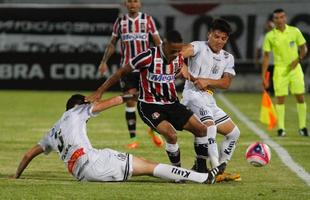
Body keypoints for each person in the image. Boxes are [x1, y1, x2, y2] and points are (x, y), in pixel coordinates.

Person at [86, 30, 225, 173]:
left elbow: (180, 70)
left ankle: (201, 169)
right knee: (171, 135)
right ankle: (177, 172)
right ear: (164, 44)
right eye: (172, 51)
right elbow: (121, 72)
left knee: (202, 130)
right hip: (150, 106)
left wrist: (194, 79)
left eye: (178, 51)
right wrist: (100, 91)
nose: (175, 55)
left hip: (172, 103)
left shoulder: (178, 57)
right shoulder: (147, 57)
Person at [12, 94, 225, 184]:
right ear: (79, 104)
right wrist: (130, 97)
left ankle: (186, 177)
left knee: (144, 166)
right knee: (149, 167)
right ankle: (202, 178)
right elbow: (112, 101)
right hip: (94, 162)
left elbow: (28, 154)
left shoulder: (53, 130)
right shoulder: (77, 112)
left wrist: (16, 177)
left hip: (81, 173)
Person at [180, 18, 240, 182]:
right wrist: (183, 66)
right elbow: (181, 53)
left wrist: (207, 81)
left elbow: (226, 83)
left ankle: (221, 168)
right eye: (216, 36)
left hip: (209, 100)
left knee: (234, 133)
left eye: (223, 38)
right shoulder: (199, 46)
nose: (219, 41)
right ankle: (214, 170)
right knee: (210, 128)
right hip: (192, 96)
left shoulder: (228, 57)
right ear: (209, 34)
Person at [98, 0, 163, 148]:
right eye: (129, 1)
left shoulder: (147, 20)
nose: (132, 4)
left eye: (135, 1)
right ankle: (132, 139)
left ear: (140, 3)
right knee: (130, 101)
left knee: (150, 100)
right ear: (125, 4)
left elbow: (158, 41)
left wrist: (165, 60)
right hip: (127, 69)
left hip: (145, 68)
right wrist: (104, 61)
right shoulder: (120, 21)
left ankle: (153, 129)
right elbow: (112, 43)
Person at [262, 8, 308, 137]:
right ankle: (281, 129)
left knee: (300, 97)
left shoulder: (295, 31)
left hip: (295, 69)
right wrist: (264, 76)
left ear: (285, 18)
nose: (279, 20)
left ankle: (303, 127)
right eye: (276, 18)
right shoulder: (270, 36)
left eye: (282, 17)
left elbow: (304, 48)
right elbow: (266, 57)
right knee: (280, 99)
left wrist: (299, 59)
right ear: (273, 20)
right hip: (280, 70)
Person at [255, 15, 275, 95]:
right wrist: (256, 59)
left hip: (275, 61)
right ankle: (266, 91)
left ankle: (273, 92)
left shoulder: (277, 36)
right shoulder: (263, 36)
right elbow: (258, 48)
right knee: (266, 77)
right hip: (265, 61)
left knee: (274, 78)